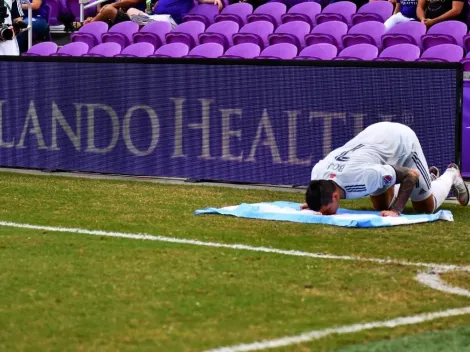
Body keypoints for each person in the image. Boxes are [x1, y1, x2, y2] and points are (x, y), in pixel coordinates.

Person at [303, 122, 469, 217]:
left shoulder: (364, 177)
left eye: (325, 211)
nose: (325, 216)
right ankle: (429, 178)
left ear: (334, 196)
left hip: (401, 140)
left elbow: (411, 176)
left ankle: (451, 174)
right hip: (375, 137)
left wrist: (396, 211)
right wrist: (314, 203)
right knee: (381, 205)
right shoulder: (317, 175)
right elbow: (319, 192)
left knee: (424, 208)